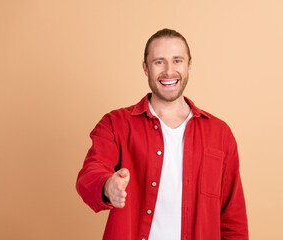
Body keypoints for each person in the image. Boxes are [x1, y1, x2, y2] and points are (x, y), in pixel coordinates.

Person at [76, 28, 248, 240]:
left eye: (177, 61)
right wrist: (107, 186)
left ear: (189, 65)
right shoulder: (116, 124)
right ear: (145, 68)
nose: (169, 71)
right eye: (159, 62)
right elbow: (90, 173)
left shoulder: (220, 133)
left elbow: (233, 217)